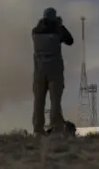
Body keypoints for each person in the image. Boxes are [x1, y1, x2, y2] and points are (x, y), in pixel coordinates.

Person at [31, 8, 74, 136]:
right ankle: (56, 128)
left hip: (39, 71)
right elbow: (70, 40)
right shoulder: (57, 31)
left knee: (38, 101)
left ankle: (38, 130)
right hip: (54, 70)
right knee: (55, 100)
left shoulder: (35, 32)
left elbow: (43, 29)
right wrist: (60, 25)